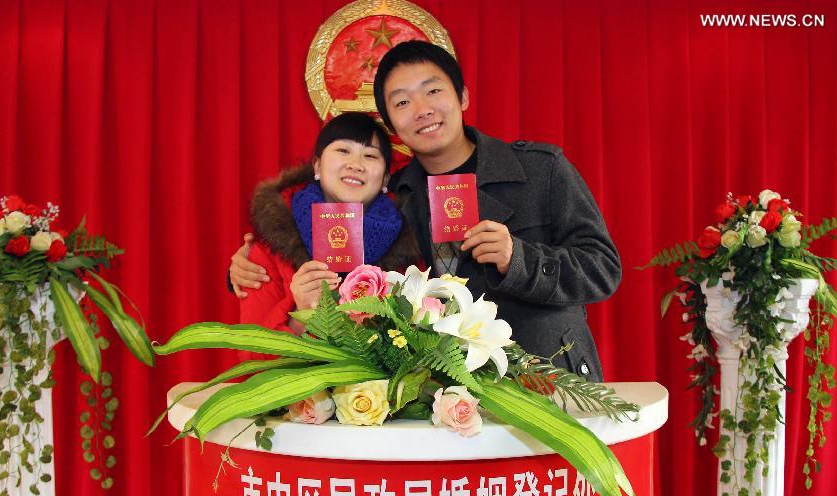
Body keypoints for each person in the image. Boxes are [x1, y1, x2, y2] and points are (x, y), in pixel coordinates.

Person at [233, 41, 621, 380]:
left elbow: (603, 269)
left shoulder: (540, 170)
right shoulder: (396, 200)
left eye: (432, 91)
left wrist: (519, 258)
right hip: (446, 396)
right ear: (392, 124)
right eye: (402, 102)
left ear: (462, 96)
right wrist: (244, 263)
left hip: (551, 378)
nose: (421, 109)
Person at [237, 111, 420, 336]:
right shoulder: (272, 243)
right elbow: (251, 355)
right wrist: (301, 315)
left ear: (384, 179)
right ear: (317, 165)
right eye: (343, 150)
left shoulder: (410, 241)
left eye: (370, 156)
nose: (355, 164)